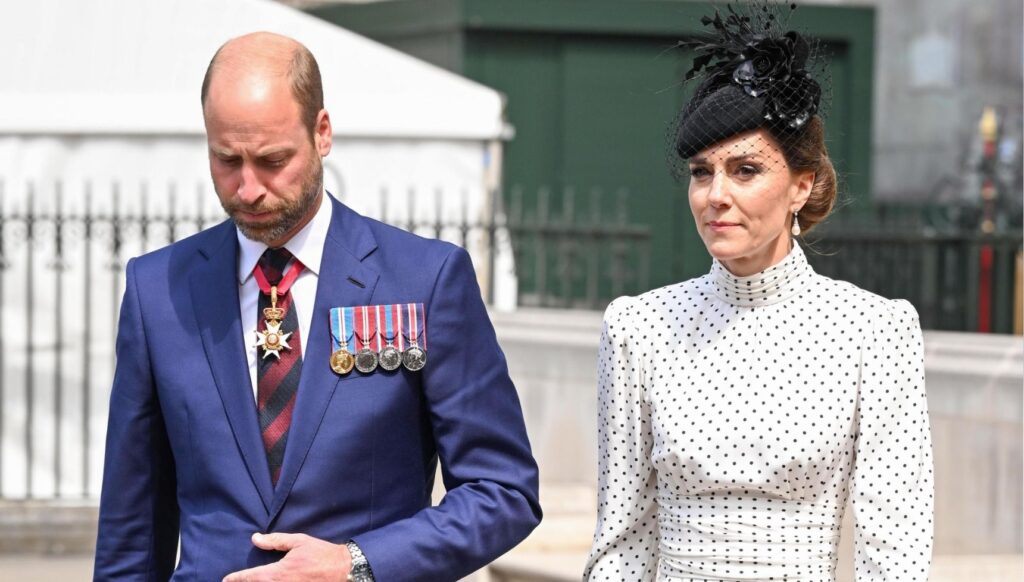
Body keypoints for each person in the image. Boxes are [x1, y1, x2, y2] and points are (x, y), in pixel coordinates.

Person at [93, 32, 541, 582]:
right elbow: (130, 534)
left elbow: (503, 490)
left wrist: (356, 563)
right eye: (226, 159)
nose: (248, 188)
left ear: (322, 133)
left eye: (273, 159)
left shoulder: (425, 279)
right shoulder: (156, 289)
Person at [584, 6, 933, 581]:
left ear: (801, 185)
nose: (715, 194)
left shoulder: (875, 330)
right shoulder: (638, 326)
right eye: (702, 171)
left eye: (745, 170)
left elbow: (896, 547)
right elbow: (622, 541)